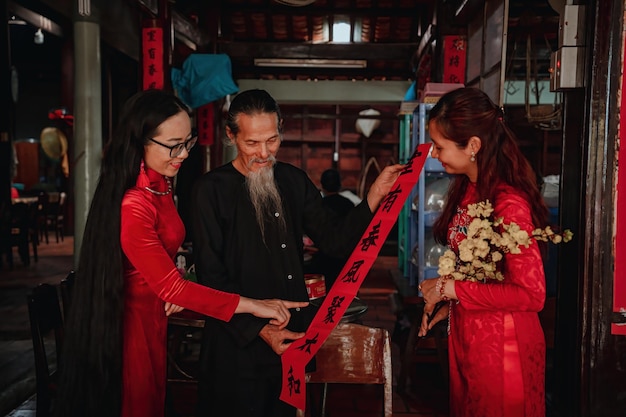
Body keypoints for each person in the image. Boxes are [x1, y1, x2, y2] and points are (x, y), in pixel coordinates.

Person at [56, 89, 308, 417]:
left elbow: (164, 271)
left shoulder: (160, 185)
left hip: (158, 318)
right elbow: (172, 289)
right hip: (133, 325)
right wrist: (256, 306)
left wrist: (171, 275)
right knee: (138, 403)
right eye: (174, 145)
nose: (184, 154)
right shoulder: (134, 203)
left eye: (188, 142)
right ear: (140, 142)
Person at [190, 88, 403, 417]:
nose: (264, 153)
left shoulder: (293, 181)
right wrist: (262, 329)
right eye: (252, 143)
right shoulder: (210, 190)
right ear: (231, 135)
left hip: (291, 340)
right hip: (237, 344)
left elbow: (334, 240)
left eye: (272, 140)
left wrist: (374, 195)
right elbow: (210, 276)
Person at [417, 87, 549, 417]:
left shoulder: (509, 204)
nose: (434, 153)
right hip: (470, 335)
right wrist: (448, 300)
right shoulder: (469, 190)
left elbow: (531, 295)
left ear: (473, 146)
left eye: (440, 146)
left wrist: (450, 288)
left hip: (502, 346)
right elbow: (482, 272)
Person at [309, 168, 356, 288]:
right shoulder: (348, 204)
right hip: (345, 257)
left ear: (322, 186)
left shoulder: (318, 205)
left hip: (322, 256)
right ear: (339, 185)